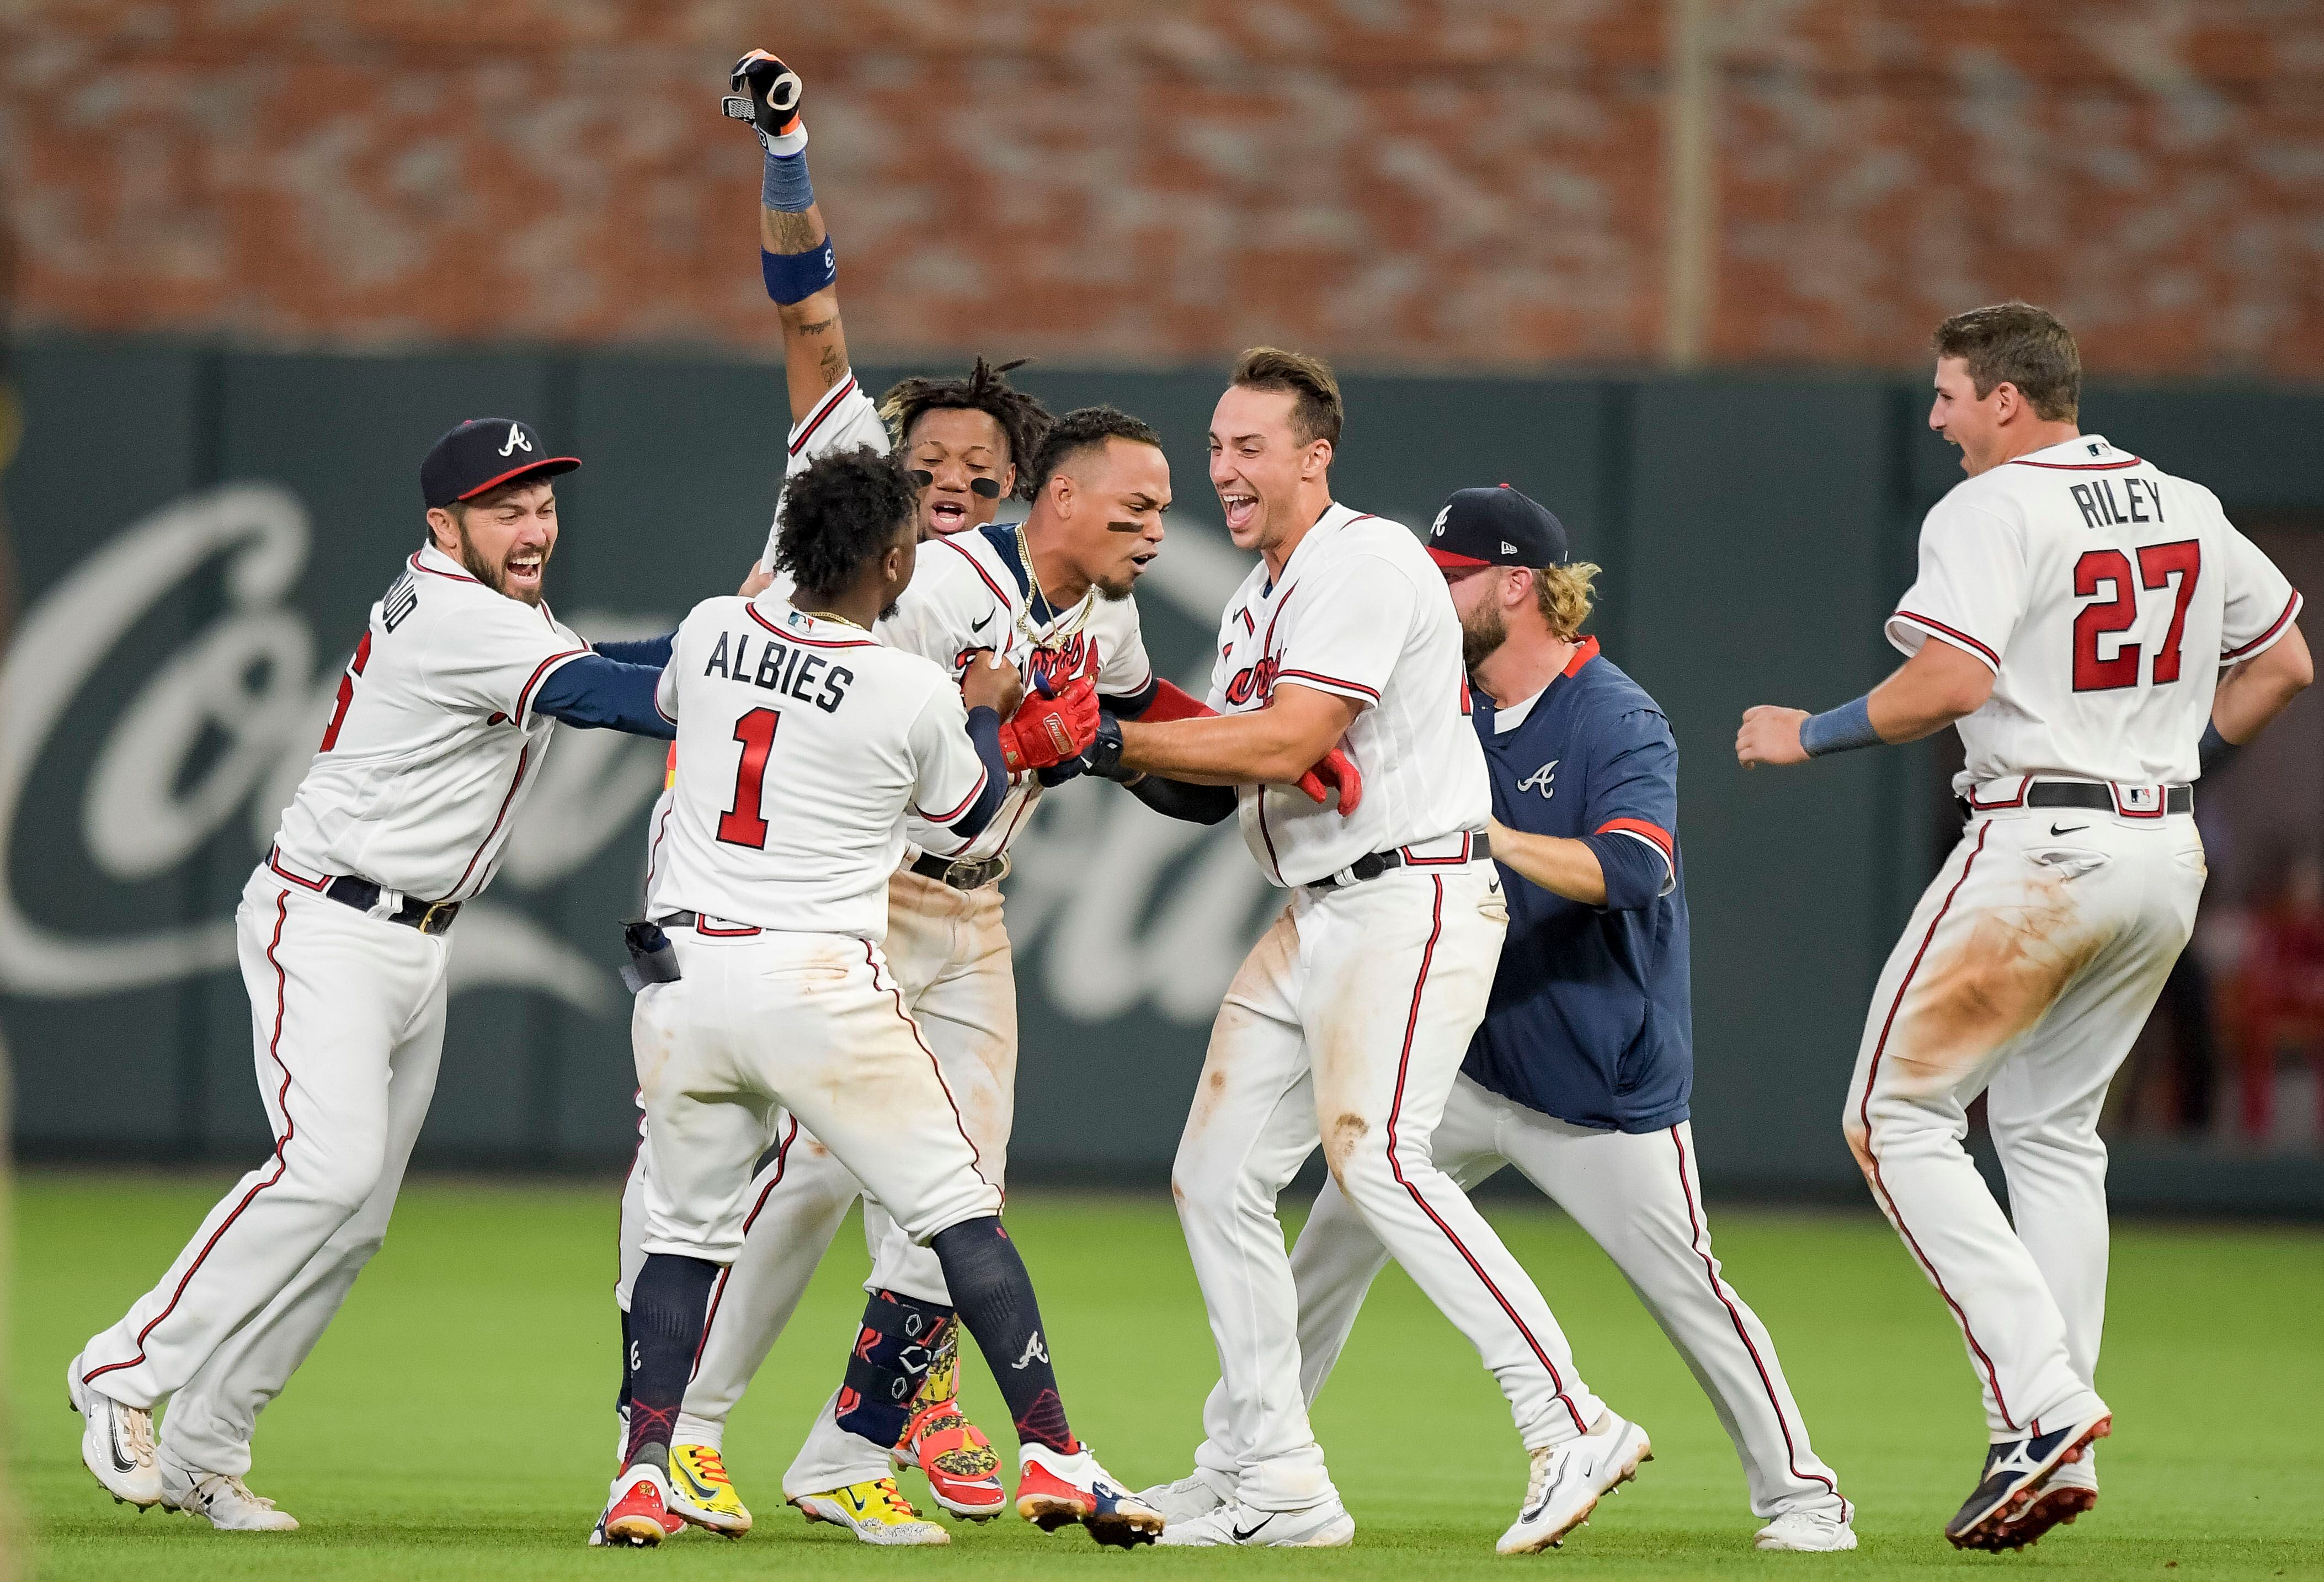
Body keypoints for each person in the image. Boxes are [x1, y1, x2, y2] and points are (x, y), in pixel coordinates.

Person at [1146, 486, 1857, 1553]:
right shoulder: (1449, 702)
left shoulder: (1612, 711)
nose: (1428, 597)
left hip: (1593, 1068)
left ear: (1519, 586)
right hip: (1469, 1055)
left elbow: (1638, 867)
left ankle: (1804, 1498)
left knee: (1689, 1292)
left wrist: (1493, 840)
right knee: (1336, 1241)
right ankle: (1246, 1461)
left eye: (1452, 579)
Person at [1736, 301, 2312, 1551]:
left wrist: (1807, 732)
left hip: (2041, 842)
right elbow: (2284, 665)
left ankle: (2044, 1404)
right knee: (2053, 1135)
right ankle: (2036, 1428)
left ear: (2007, 397)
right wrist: (2171, 762)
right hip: (2161, 846)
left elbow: (1952, 681)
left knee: (1894, 1117)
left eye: (1948, 394)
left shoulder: (1992, 507)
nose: (1938, 419)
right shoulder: (2185, 500)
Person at [1076, 349, 1644, 1554]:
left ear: (1314, 456)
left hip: (1411, 898)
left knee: (1378, 1160)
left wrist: (1112, 744)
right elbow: (1213, 777)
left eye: (1250, 448)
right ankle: (1267, 1474)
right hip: (1315, 911)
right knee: (1215, 1175)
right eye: (1217, 447)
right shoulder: (1250, 600)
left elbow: (1283, 743)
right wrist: (1103, 729)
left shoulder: (1369, 560)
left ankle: (1569, 1419)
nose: (1224, 470)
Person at [68, 419, 680, 1530]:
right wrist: (775, 672)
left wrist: (747, 644)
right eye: (506, 508)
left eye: (543, 504)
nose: (534, 524)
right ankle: (120, 1373)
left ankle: (208, 1448)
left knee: (352, 1220)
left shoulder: (504, 609)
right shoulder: (453, 616)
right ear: (444, 527)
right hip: (329, 923)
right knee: (327, 1168)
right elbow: (611, 697)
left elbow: (626, 662)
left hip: (415, 941)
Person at [593, 445, 1160, 1550]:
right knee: (959, 1209)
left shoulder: (714, 628)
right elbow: (965, 810)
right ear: (896, 561)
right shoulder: (907, 685)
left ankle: (642, 1471)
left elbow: (659, 699)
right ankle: (1053, 1446)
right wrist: (989, 709)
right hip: (818, 982)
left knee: (680, 1237)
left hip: (689, 983)